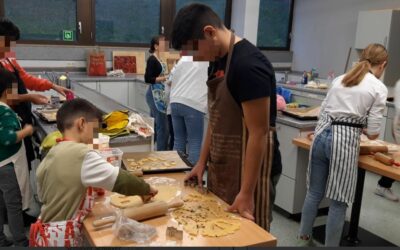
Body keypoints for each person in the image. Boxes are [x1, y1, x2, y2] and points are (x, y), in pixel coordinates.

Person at [171, 3, 282, 231]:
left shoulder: (248, 65)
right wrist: (201, 162)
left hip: (253, 170)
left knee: (251, 235)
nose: (195, 59)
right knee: (219, 230)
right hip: (224, 163)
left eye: (194, 52)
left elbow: (258, 134)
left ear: (209, 32)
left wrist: (247, 192)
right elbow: (216, 116)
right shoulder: (217, 60)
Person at [29, 99, 157, 247]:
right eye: (95, 129)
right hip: (59, 237)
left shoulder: (54, 151)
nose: (95, 136)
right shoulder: (81, 154)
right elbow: (120, 179)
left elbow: (55, 187)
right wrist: (146, 189)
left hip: (45, 231)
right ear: (82, 124)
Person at [298, 44, 388, 247]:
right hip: (343, 142)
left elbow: (324, 111)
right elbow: (373, 133)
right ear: (383, 65)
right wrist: (361, 127)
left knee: (314, 192)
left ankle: (303, 237)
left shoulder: (340, 79)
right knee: (339, 201)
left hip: (321, 134)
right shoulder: (378, 87)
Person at [0, 18, 71, 169]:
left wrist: (52, 85)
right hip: (6, 124)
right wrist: (30, 97)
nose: (11, 48)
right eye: (9, 43)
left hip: (19, 117)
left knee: (22, 164)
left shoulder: (8, 60)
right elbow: (5, 99)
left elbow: (26, 79)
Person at [0, 68, 33, 247]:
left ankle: (1, 239)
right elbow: (7, 138)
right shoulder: (5, 113)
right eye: (15, 91)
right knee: (14, 205)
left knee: (0, 205)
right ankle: (20, 240)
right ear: (7, 92)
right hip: (7, 167)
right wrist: (26, 131)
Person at [169, 56, 208, 165]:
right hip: (193, 103)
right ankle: (192, 178)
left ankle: (174, 174)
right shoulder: (208, 58)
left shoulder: (184, 58)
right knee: (194, 142)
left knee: (178, 140)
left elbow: (170, 80)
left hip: (175, 101)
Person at [145, 35, 170, 151]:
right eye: (163, 44)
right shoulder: (152, 60)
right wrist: (165, 78)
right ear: (156, 46)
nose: (165, 46)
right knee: (163, 127)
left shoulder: (159, 59)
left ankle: (149, 150)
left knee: (154, 126)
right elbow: (148, 79)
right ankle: (161, 154)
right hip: (154, 95)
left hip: (159, 95)